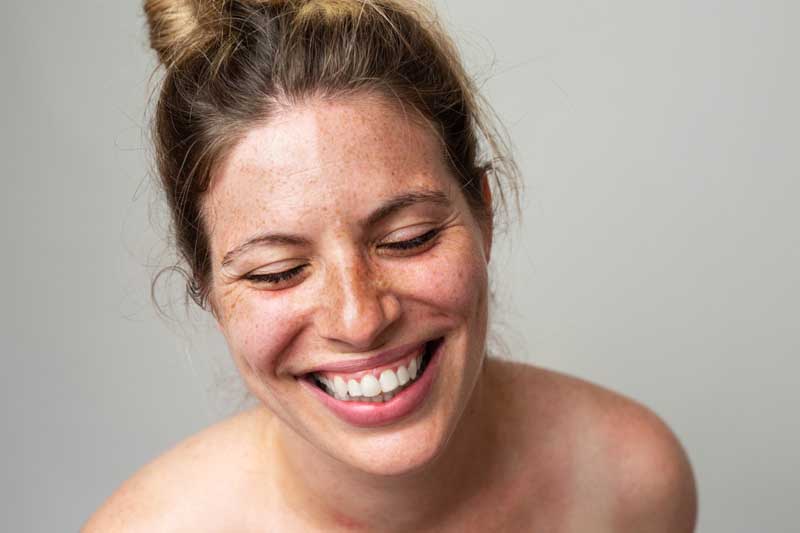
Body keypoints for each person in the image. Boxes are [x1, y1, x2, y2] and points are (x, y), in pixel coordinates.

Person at [84, 0, 697, 531]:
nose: (359, 319)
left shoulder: (629, 482)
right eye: (276, 272)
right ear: (209, 291)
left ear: (483, 215)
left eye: (408, 238)